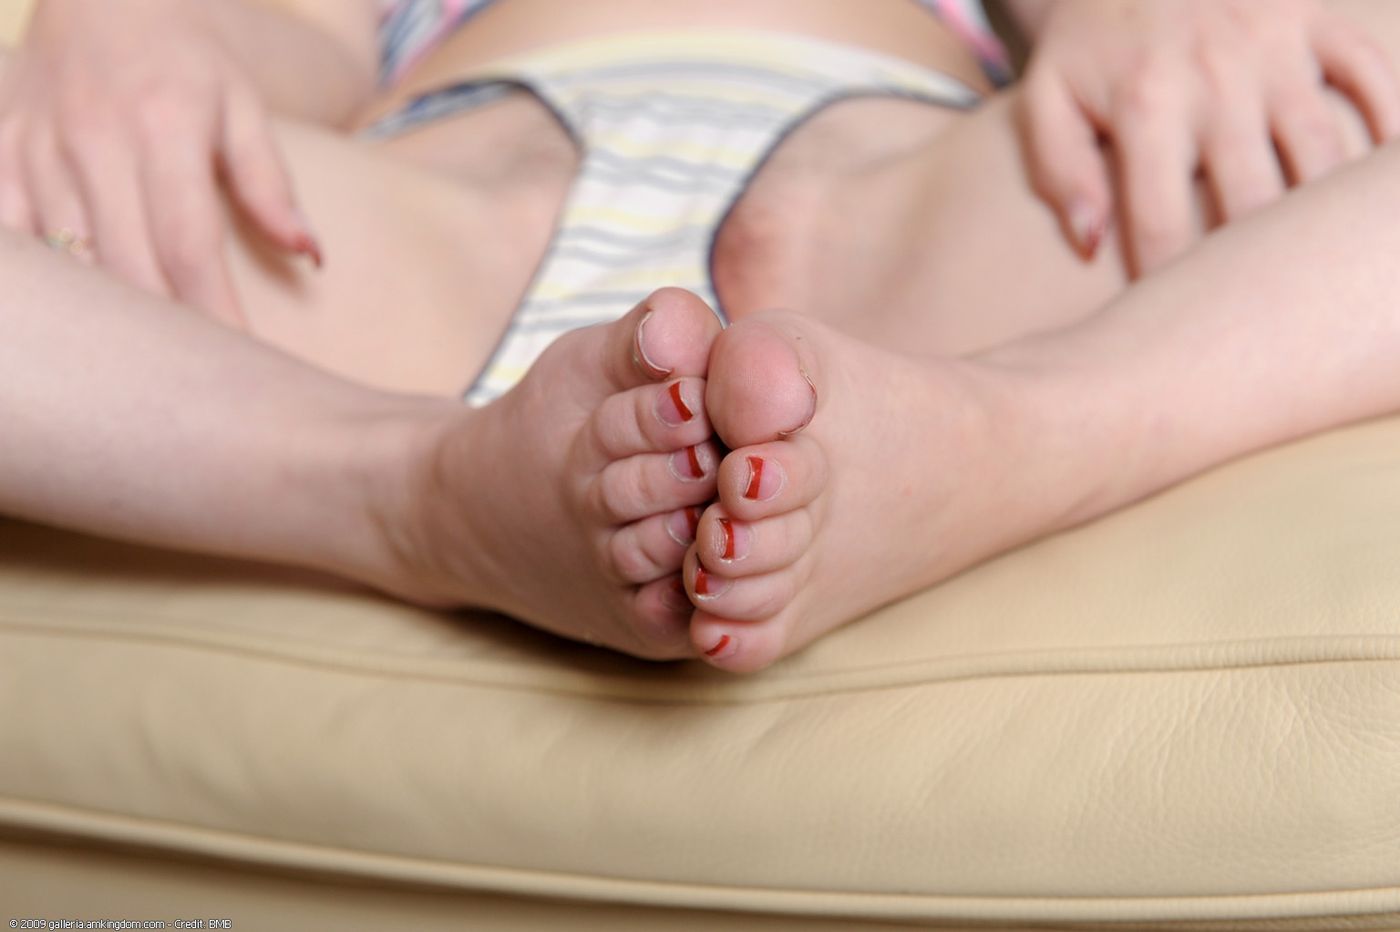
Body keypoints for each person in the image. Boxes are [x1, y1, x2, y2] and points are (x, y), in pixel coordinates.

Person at [1, 0, 1398, 673]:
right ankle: (418, 491)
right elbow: (284, 31)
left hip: (908, 211)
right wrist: (130, 29)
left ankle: (1010, 437)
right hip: (438, 216)